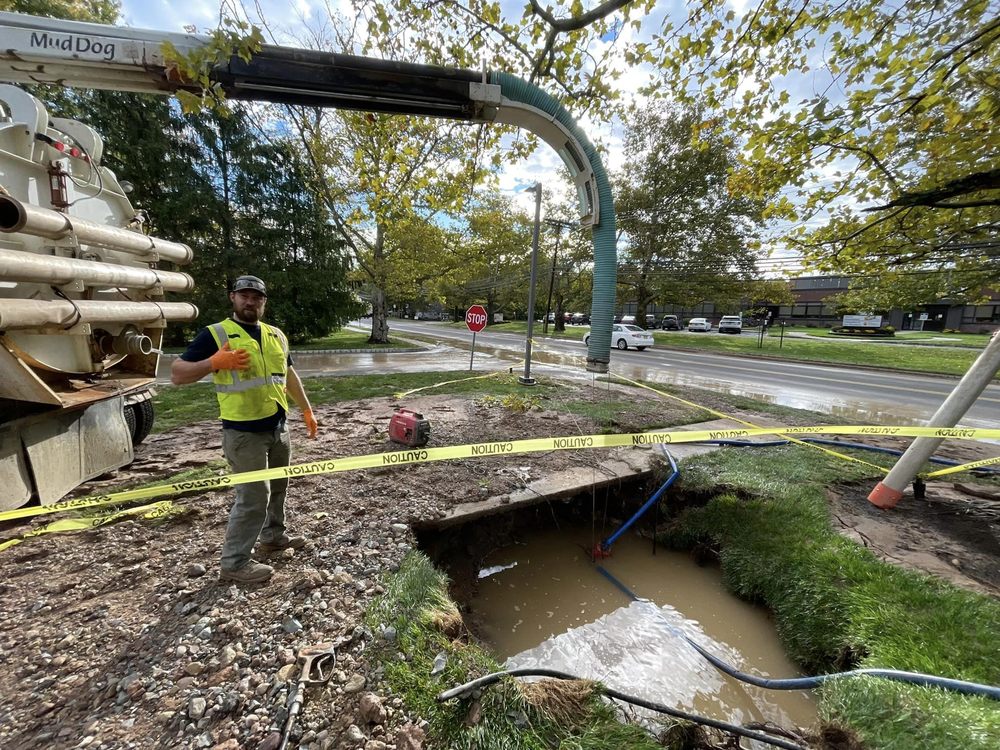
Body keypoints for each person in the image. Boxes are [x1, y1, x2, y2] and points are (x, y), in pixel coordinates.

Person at [171, 275, 318, 583]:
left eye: (256, 297)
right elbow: (178, 374)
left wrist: (306, 410)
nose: (250, 301)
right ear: (233, 298)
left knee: (278, 487)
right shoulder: (216, 334)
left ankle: (273, 537)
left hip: (278, 427)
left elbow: (289, 375)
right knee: (253, 497)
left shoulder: (276, 335)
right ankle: (234, 563)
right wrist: (214, 362)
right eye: (244, 296)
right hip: (243, 434)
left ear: (264, 301)